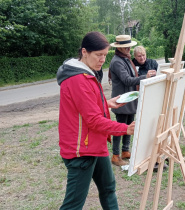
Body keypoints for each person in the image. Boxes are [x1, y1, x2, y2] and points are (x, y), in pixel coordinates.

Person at [56, 31, 135, 210]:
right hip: (81, 151)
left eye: (105, 55)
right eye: (99, 55)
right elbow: (93, 120)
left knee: (108, 188)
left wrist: (106, 104)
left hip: (95, 144)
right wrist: (126, 129)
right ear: (84, 52)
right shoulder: (78, 79)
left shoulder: (87, 73)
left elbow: (85, 107)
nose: (102, 60)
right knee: (73, 206)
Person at [109, 35, 156, 166]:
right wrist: (144, 77)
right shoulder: (117, 61)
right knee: (120, 127)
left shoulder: (125, 59)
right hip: (121, 100)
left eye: (129, 46)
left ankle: (125, 151)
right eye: (126, 47)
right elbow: (126, 80)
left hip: (129, 99)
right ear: (120, 48)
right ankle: (115, 155)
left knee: (130, 125)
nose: (129, 48)